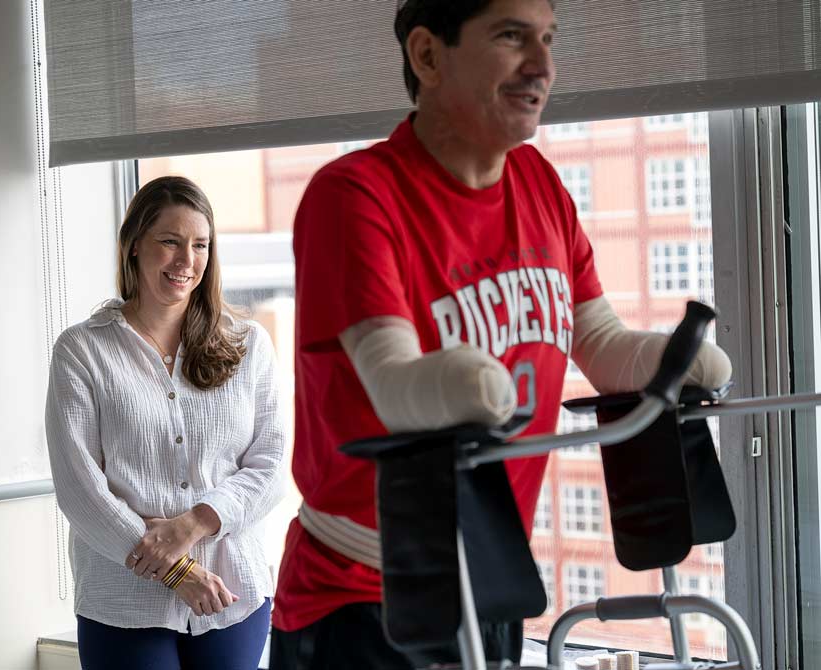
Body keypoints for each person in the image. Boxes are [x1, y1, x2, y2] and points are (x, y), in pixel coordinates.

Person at [270, 0, 733, 668]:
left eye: (548, 39)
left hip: (489, 581)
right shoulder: (354, 195)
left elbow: (598, 340)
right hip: (366, 599)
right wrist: (467, 385)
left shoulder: (539, 183)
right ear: (428, 55)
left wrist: (668, 362)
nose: (542, 65)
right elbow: (394, 382)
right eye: (512, 37)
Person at [46, 175, 285, 670]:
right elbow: (80, 489)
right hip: (122, 601)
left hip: (232, 595)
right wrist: (177, 569)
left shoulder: (249, 344)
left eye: (200, 245)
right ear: (134, 244)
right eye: (170, 241)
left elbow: (271, 466)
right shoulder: (82, 351)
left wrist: (193, 524)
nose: (186, 261)